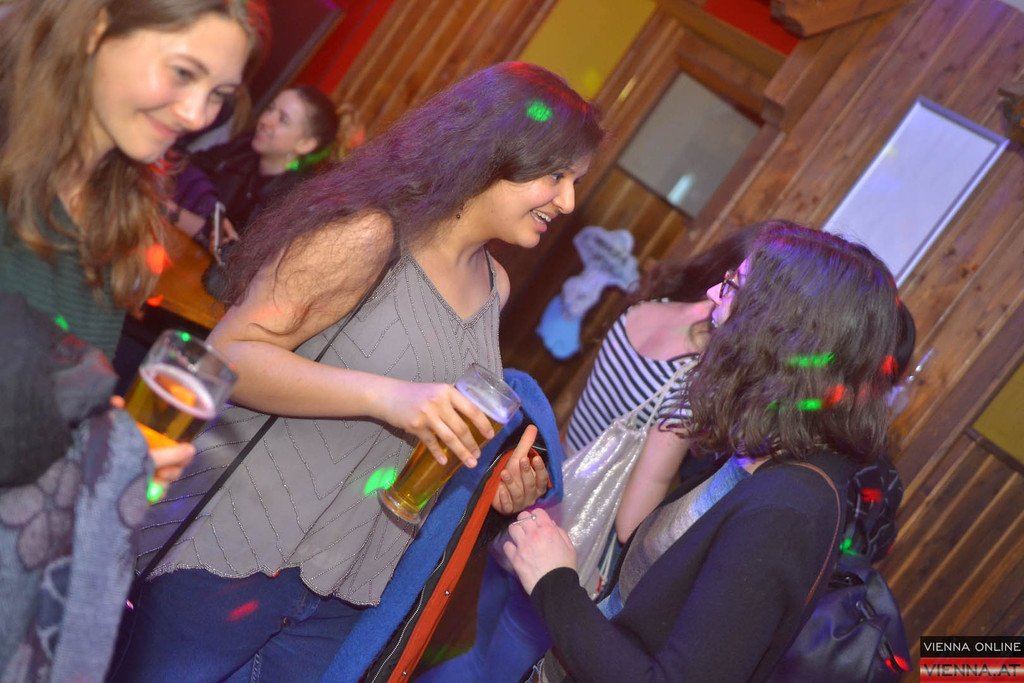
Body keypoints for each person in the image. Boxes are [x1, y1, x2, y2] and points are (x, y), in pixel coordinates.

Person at [114, 62, 604, 682]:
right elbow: (231, 353)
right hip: (234, 551)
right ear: (494, 151)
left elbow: (427, 424)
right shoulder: (370, 234)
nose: (567, 201)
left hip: (345, 589)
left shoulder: (494, 285)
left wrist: (493, 482)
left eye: (575, 182)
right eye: (556, 176)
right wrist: (388, 397)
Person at [503, 221, 902, 682]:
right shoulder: (761, 457)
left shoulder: (789, 510)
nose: (713, 294)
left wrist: (555, 584)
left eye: (733, 287)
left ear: (782, 333)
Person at [417, 225, 765, 683]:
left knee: (477, 658)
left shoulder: (651, 306)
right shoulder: (693, 383)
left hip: (532, 502)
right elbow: (630, 521)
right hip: (566, 545)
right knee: (492, 673)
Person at [171, 84, 352, 244]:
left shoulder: (296, 199)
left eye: (283, 120)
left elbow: (235, 252)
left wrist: (175, 214)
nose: (265, 120)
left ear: (305, 144)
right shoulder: (243, 148)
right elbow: (187, 165)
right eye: (270, 109)